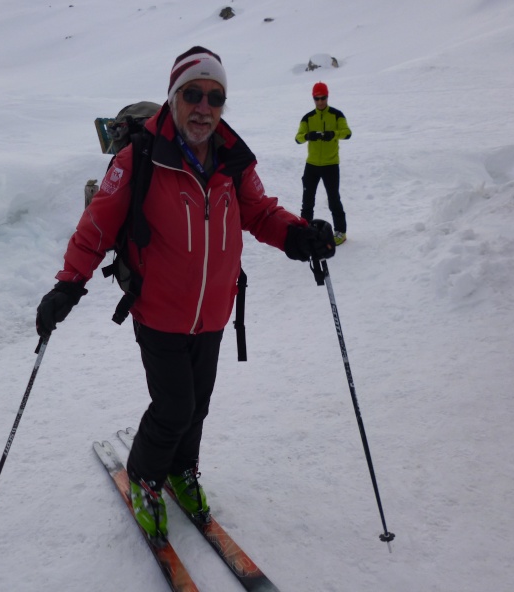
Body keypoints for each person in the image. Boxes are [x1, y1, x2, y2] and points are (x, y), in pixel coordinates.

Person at [36, 46, 335, 542]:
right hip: (159, 311)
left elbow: (259, 213)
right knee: (174, 406)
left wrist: (299, 235)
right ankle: (146, 477)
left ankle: (181, 469)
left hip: (214, 312)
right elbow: (96, 226)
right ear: (173, 98)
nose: (204, 106)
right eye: (193, 94)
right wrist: (68, 285)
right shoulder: (140, 159)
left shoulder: (233, 160)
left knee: (197, 405)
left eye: (215, 97)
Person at [295, 81, 352, 245]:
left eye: (323, 98)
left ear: (327, 97)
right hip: (312, 165)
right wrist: (308, 136)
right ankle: (304, 232)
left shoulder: (336, 115)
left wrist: (332, 134)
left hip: (330, 165)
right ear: (313, 98)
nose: (320, 101)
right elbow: (297, 138)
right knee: (307, 201)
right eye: (317, 98)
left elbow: (347, 133)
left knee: (334, 199)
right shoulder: (308, 118)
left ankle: (340, 232)